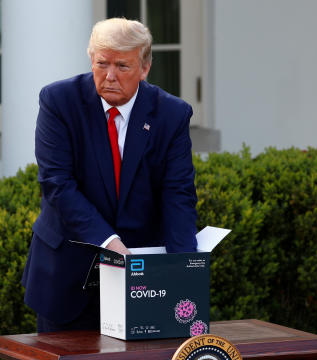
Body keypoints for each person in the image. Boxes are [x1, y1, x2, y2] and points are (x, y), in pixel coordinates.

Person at [22, 17, 198, 333]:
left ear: (145, 68)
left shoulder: (172, 114)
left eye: (122, 66)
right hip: (67, 275)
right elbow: (57, 184)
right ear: (91, 60)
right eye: (102, 64)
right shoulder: (59, 102)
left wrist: (182, 270)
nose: (110, 76)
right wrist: (110, 243)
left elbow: (178, 194)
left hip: (142, 281)